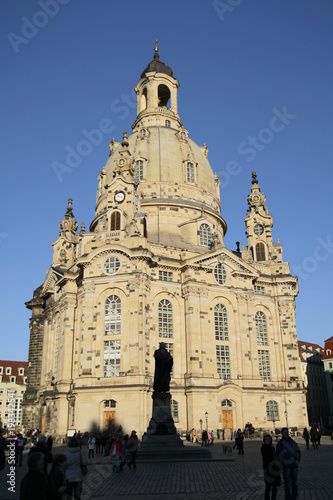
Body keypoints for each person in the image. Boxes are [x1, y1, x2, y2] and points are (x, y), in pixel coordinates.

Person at [276, 427, 301, 500]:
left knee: (295, 483)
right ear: (282, 434)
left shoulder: (292, 442)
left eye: (287, 432)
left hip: (294, 465)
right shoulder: (280, 444)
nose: (286, 434)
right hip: (285, 466)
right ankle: (288, 497)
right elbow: (278, 455)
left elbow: (298, 451)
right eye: (284, 433)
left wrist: (297, 459)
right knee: (287, 483)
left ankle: (294, 497)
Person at [261, 434, 281, 500]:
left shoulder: (272, 448)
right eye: (266, 439)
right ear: (264, 440)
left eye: (269, 439)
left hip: (274, 469)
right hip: (267, 470)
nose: (268, 440)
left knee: (274, 487)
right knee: (268, 487)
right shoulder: (263, 448)